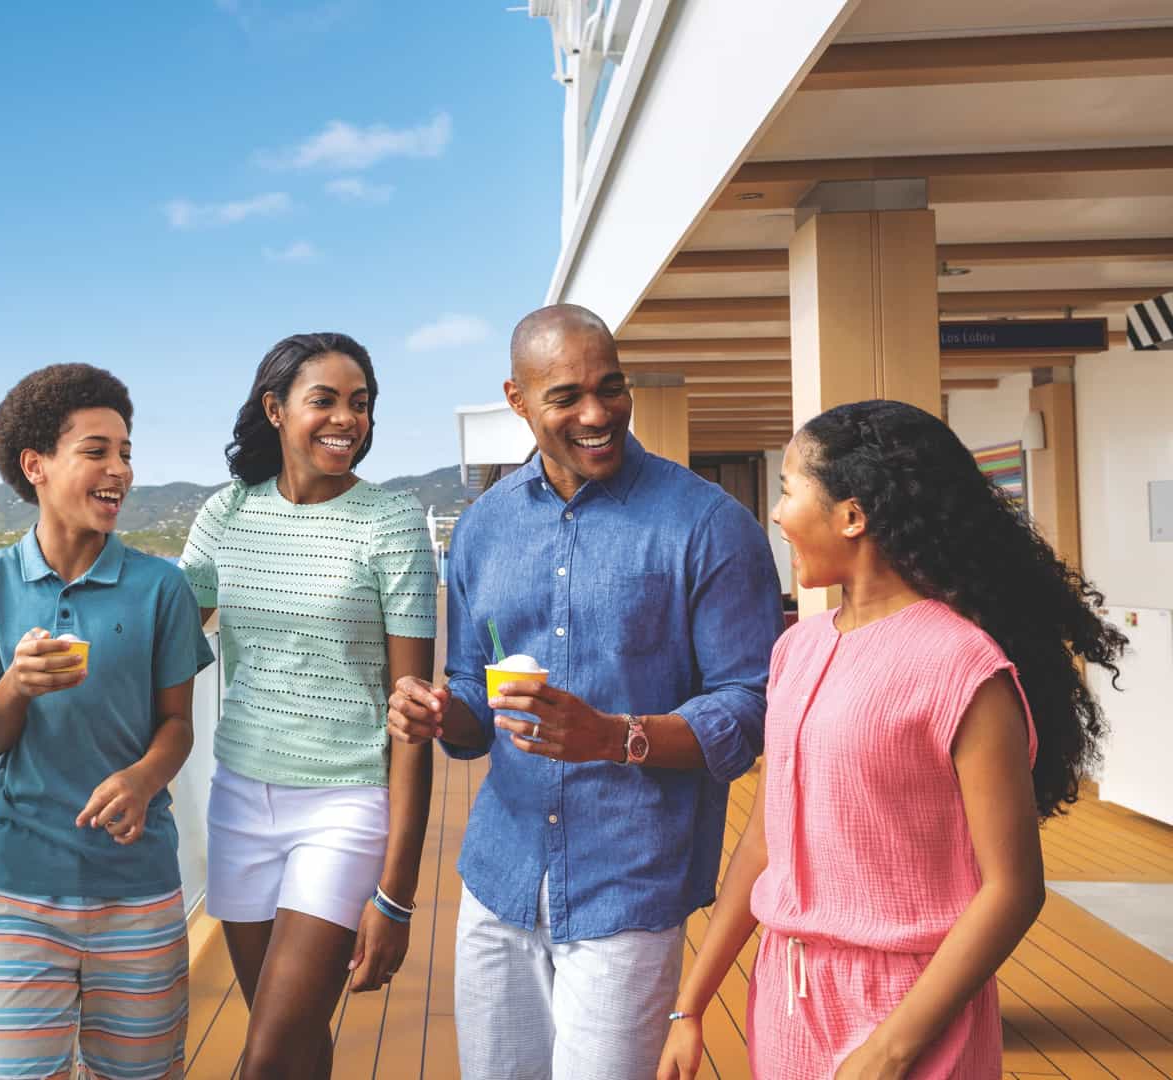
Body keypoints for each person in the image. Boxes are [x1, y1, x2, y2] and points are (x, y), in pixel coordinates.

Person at [655, 400, 1127, 1080]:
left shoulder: (964, 667)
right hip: (786, 1003)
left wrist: (889, 1051)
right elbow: (764, 842)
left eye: (788, 491)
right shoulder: (795, 651)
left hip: (913, 1013)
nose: (779, 516)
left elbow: (1014, 889)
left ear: (851, 515)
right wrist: (691, 1006)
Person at [386, 304, 785, 1080]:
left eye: (612, 387)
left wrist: (614, 736)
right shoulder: (482, 529)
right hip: (500, 879)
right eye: (567, 396)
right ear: (518, 399)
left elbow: (752, 703)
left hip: (627, 886)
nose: (597, 413)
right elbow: (475, 696)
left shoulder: (709, 524)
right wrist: (441, 711)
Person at [179, 332, 438, 1078]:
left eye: (359, 404)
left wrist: (397, 895)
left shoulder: (390, 522)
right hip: (238, 801)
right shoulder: (226, 515)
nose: (346, 419)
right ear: (275, 409)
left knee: (263, 1059)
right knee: (293, 1047)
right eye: (323, 400)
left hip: (346, 805)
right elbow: (157, 630)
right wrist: (8, 613)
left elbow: (411, 718)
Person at [0, 363, 216, 1080]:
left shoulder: (160, 587)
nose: (120, 470)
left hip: (139, 889)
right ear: (35, 465)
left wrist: (141, 778)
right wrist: (14, 685)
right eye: (97, 450)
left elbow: (177, 727)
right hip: (21, 894)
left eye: (126, 451)